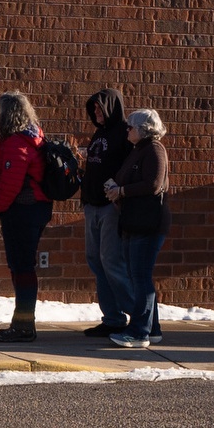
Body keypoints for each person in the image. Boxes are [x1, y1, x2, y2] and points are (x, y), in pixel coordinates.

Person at [0, 91, 50, 344]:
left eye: (0, 111)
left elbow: (11, 183)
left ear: (8, 114)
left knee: (21, 267)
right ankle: (22, 323)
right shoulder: (34, 136)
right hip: (33, 210)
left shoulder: (16, 143)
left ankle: (23, 326)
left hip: (22, 210)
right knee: (23, 266)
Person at [108, 110, 170, 348]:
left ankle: (139, 332)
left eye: (131, 127)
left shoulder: (154, 149)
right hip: (134, 221)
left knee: (140, 276)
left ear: (144, 129)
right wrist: (115, 189)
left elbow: (154, 185)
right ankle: (152, 329)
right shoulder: (138, 151)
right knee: (138, 276)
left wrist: (122, 191)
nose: (127, 130)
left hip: (148, 223)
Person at [79, 89, 134, 341]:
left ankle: (140, 317)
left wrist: (119, 193)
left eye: (100, 109)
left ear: (111, 107)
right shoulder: (99, 133)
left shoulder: (124, 133)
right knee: (96, 262)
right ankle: (112, 319)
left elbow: (131, 168)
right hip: (92, 205)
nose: (97, 113)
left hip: (110, 207)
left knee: (112, 262)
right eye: (94, 110)